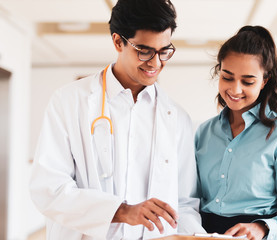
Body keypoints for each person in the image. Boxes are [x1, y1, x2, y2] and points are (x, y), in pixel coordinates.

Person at [29, 0, 204, 239]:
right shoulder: (69, 101)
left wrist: (197, 235)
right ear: (118, 41)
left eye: (164, 51)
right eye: (144, 51)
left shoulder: (177, 118)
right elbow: (49, 189)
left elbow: (184, 204)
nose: (155, 62)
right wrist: (121, 211)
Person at [195, 25, 277, 240]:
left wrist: (262, 228)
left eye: (247, 81)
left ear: (264, 81)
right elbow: (190, 200)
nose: (235, 89)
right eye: (227, 77)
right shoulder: (203, 132)